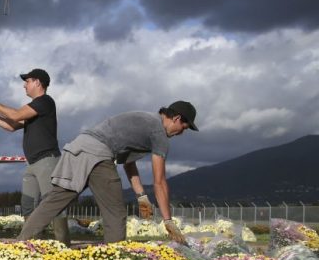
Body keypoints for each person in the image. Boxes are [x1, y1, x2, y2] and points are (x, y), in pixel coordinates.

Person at [16, 101, 199, 244]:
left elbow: (128, 162)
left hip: (78, 147)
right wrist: (168, 221)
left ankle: (20, 244)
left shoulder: (145, 119)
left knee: (54, 201)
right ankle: (114, 259)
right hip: (98, 154)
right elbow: (159, 182)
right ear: (176, 118)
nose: (182, 132)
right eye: (184, 127)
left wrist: (141, 196)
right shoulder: (159, 133)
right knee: (115, 213)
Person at [0, 68, 69, 243]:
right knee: (28, 205)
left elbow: (16, 114)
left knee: (54, 204)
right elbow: (11, 125)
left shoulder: (45, 102)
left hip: (47, 161)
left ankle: (63, 246)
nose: (24, 85)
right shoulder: (35, 108)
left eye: (27, 81)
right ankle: (33, 244)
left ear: (38, 82)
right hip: (33, 163)